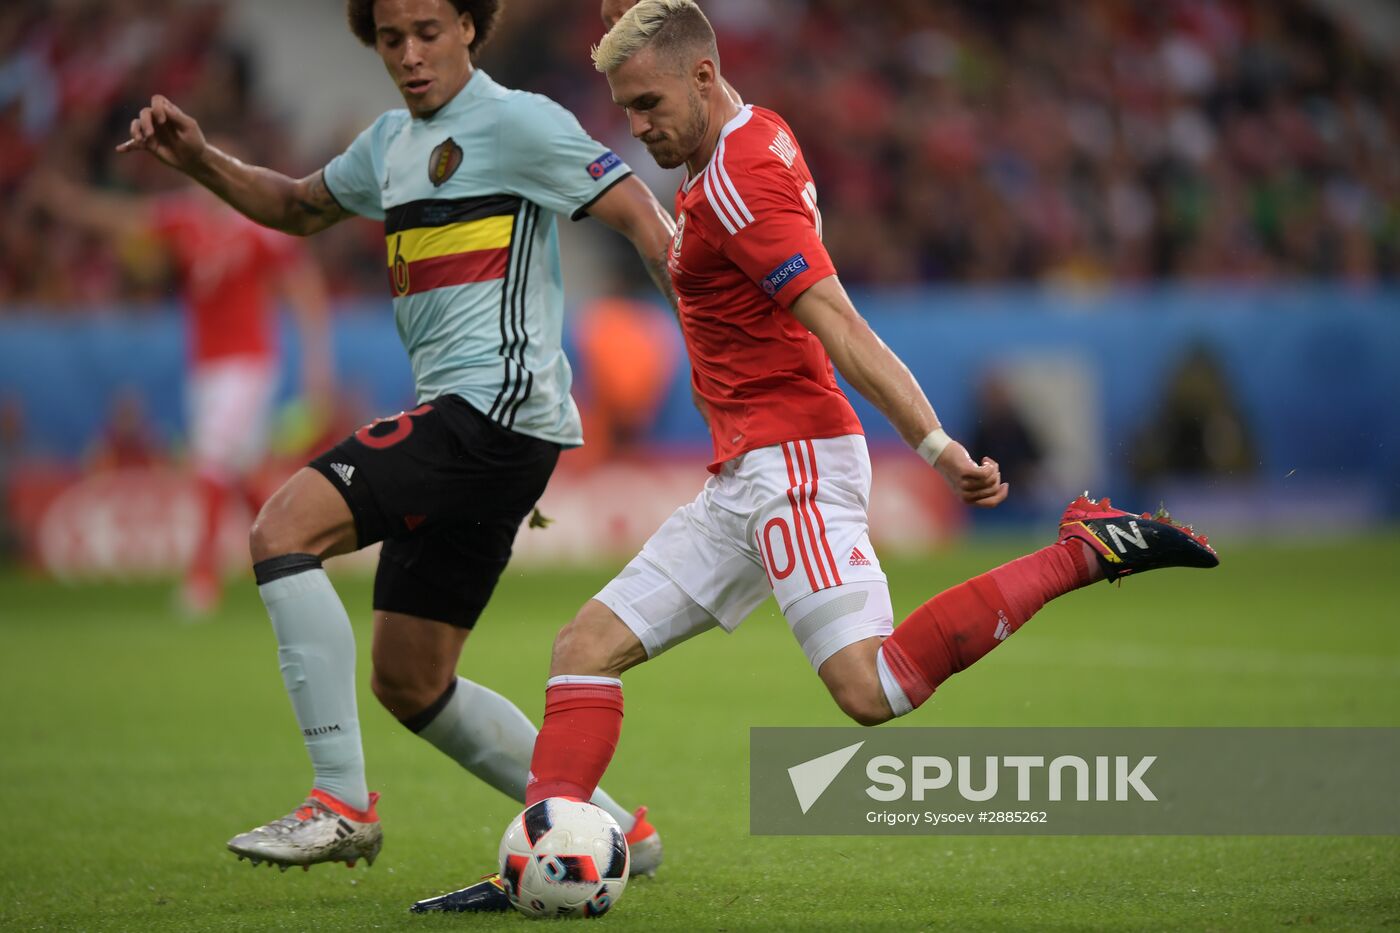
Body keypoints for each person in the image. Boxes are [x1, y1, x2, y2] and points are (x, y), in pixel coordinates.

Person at [423, 0, 1221, 903]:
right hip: (744, 472)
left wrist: (933, 440)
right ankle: (539, 857)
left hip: (792, 462)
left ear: (701, 78)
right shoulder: (751, 132)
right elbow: (676, 66)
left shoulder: (736, 184)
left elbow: (836, 320)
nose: (637, 128)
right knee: (584, 646)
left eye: (646, 104)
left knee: (871, 687)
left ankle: (1085, 549)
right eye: (625, 109)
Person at [116, 0, 679, 894]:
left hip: (494, 412)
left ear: (468, 26)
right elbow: (300, 205)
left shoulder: (520, 121)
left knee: (281, 528)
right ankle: (614, 829)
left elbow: (645, 219)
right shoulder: (386, 144)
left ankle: (340, 802)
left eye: (427, 33)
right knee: (411, 679)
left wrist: (719, 354)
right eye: (390, 40)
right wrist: (198, 160)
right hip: (483, 428)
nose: (410, 56)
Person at [36, 168, 333, 615]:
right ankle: (299, 551)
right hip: (206, 369)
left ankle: (202, 579)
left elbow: (305, 289)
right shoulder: (185, 219)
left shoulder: (258, 230)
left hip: (249, 363)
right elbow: (125, 217)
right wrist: (69, 199)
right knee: (238, 471)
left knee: (210, 459)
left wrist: (317, 363)